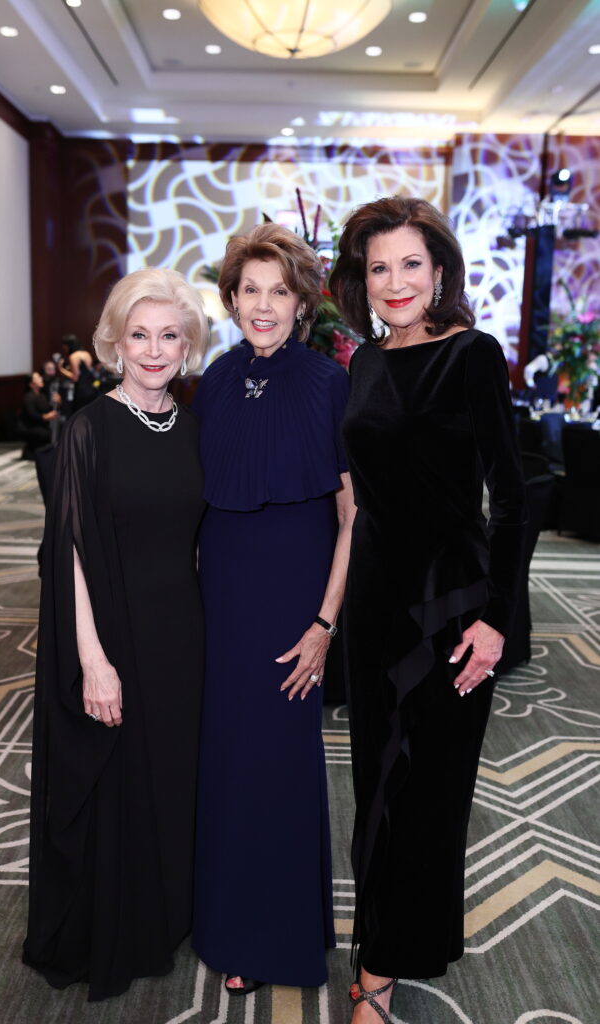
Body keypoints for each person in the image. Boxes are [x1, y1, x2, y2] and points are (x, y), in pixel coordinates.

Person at [329, 197, 528, 1023]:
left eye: (411, 264)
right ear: (361, 282)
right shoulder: (362, 363)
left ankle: (385, 964)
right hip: (375, 603)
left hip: (453, 603)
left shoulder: (473, 355)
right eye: (379, 268)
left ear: (439, 271)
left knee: (431, 791)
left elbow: (513, 499)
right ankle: (384, 948)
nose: (396, 281)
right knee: (376, 781)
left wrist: (497, 619)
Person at [23, 268, 209, 1001]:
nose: (155, 350)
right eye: (140, 335)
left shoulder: (194, 430)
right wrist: (91, 660)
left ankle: (165, 912)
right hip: (114, 632)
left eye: (170, 335)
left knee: (169, 781)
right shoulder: (87, 428)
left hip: (183, 638)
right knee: (117, 782)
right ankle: (117, 926)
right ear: (115, 343)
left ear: (188, 344)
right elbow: (65, 550)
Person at [192, 223, 356, 994]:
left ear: (302, 302)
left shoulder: (330, 383)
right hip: (221, 596)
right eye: (249, 290)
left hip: (293, 598)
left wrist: (324, 624)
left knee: (281, 765)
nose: (262, 305)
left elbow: (353, 519)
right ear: (230, 299)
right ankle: (225, 922)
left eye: (278, 291)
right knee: (225, 761)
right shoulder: (216, 379)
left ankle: (278, 937)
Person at [19, 372, 58, 457]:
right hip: (30, 426)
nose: (41, 379)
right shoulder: (28, 397)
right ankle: (31, 451)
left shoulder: (42, 395)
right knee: (44, 434)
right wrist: (45, 417)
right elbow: (31, 415)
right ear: (31, 384)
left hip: (41, 424)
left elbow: (48, 409)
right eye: (37, 378)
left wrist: (58, 403)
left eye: (40, 377)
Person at [58, 334, 98, 412]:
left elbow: (75, 377)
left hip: (81, 390)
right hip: (91, 388)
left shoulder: (73, 356)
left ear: (68, 345)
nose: (64, 348)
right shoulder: (86, 354)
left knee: (80, 414)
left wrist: (61, 369)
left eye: (64, 345)